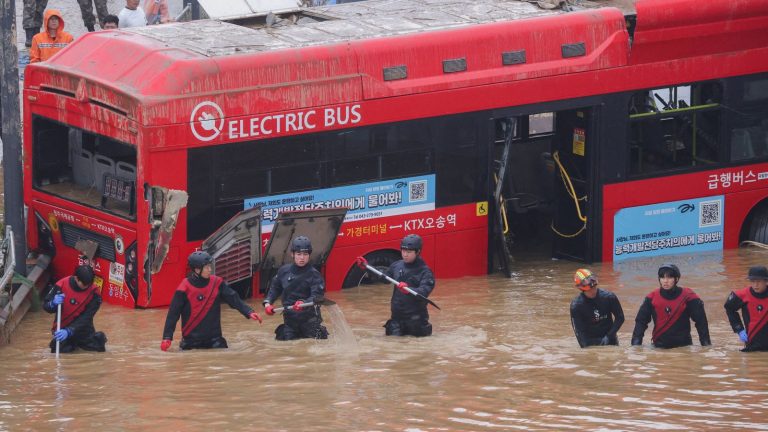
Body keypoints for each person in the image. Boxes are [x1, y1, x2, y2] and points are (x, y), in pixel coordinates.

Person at [160, 251, 262, 351]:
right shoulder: (184, 287)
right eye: (207, 267)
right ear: (197, 270)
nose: (210, 269)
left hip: (215, 340)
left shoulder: (217, 283)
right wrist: (167, 338)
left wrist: (249, 312)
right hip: (191, 342)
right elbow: (173, 314)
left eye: (210, 266)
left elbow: (233, 298)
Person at [263, 236, 329, 340]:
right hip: (290, 322)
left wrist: (303, 303)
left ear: (309, 255)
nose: (302, 258)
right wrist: (268, 303)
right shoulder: (283, 271)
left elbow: (317, 296)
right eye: (299, 254)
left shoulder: (315, 275)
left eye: (305, 254)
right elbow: (275, 288)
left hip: (310, 322)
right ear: (292, 254)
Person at [631, 263, 711, 348]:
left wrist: (706, 347)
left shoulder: (689, 296)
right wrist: (635, 347)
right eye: (662, 277)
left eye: (669, 277)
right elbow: (641, 322)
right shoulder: (651, 297)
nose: (665, 281)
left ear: (676, 279)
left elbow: (701, 323)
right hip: (659, 348)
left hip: (684, 349)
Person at [43, 265, 107, 353]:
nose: (86, 287)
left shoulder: (95, 293)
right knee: (60, 350)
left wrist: (70, 331)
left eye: (89, 284)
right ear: (76, 278)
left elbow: (87, 317)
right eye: (84, 284)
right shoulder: (61, 285)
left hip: (83, 330)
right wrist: (52, 303)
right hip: (62, 329)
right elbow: (46, 306)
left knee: (98, 348)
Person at [383, 234, 435, 337]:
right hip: (397, 319)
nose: (405, 255)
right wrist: (366, 267)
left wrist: (408, 289)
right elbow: (384, 279)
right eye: (403, 251)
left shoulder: (425, 272)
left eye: (409, 252)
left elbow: (424, 291)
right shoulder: (396, 265)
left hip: (416, 322)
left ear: (418, 252)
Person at [569, 268, 625, 348]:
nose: (593, 290)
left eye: (594, 285)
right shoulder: (576, 306)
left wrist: (609, 336)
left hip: (610, 339)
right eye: (590, 288)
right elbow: (579, 333)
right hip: (590, 342)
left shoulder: (609, 297)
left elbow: (620, 318)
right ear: (581, 287)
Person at [724, 266, 768, 352]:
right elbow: (729, 308)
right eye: (752, 281)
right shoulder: (741, 295)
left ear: (766, 281)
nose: (755, 285)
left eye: (758, 281)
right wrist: (739, 329)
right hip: (752, 346)